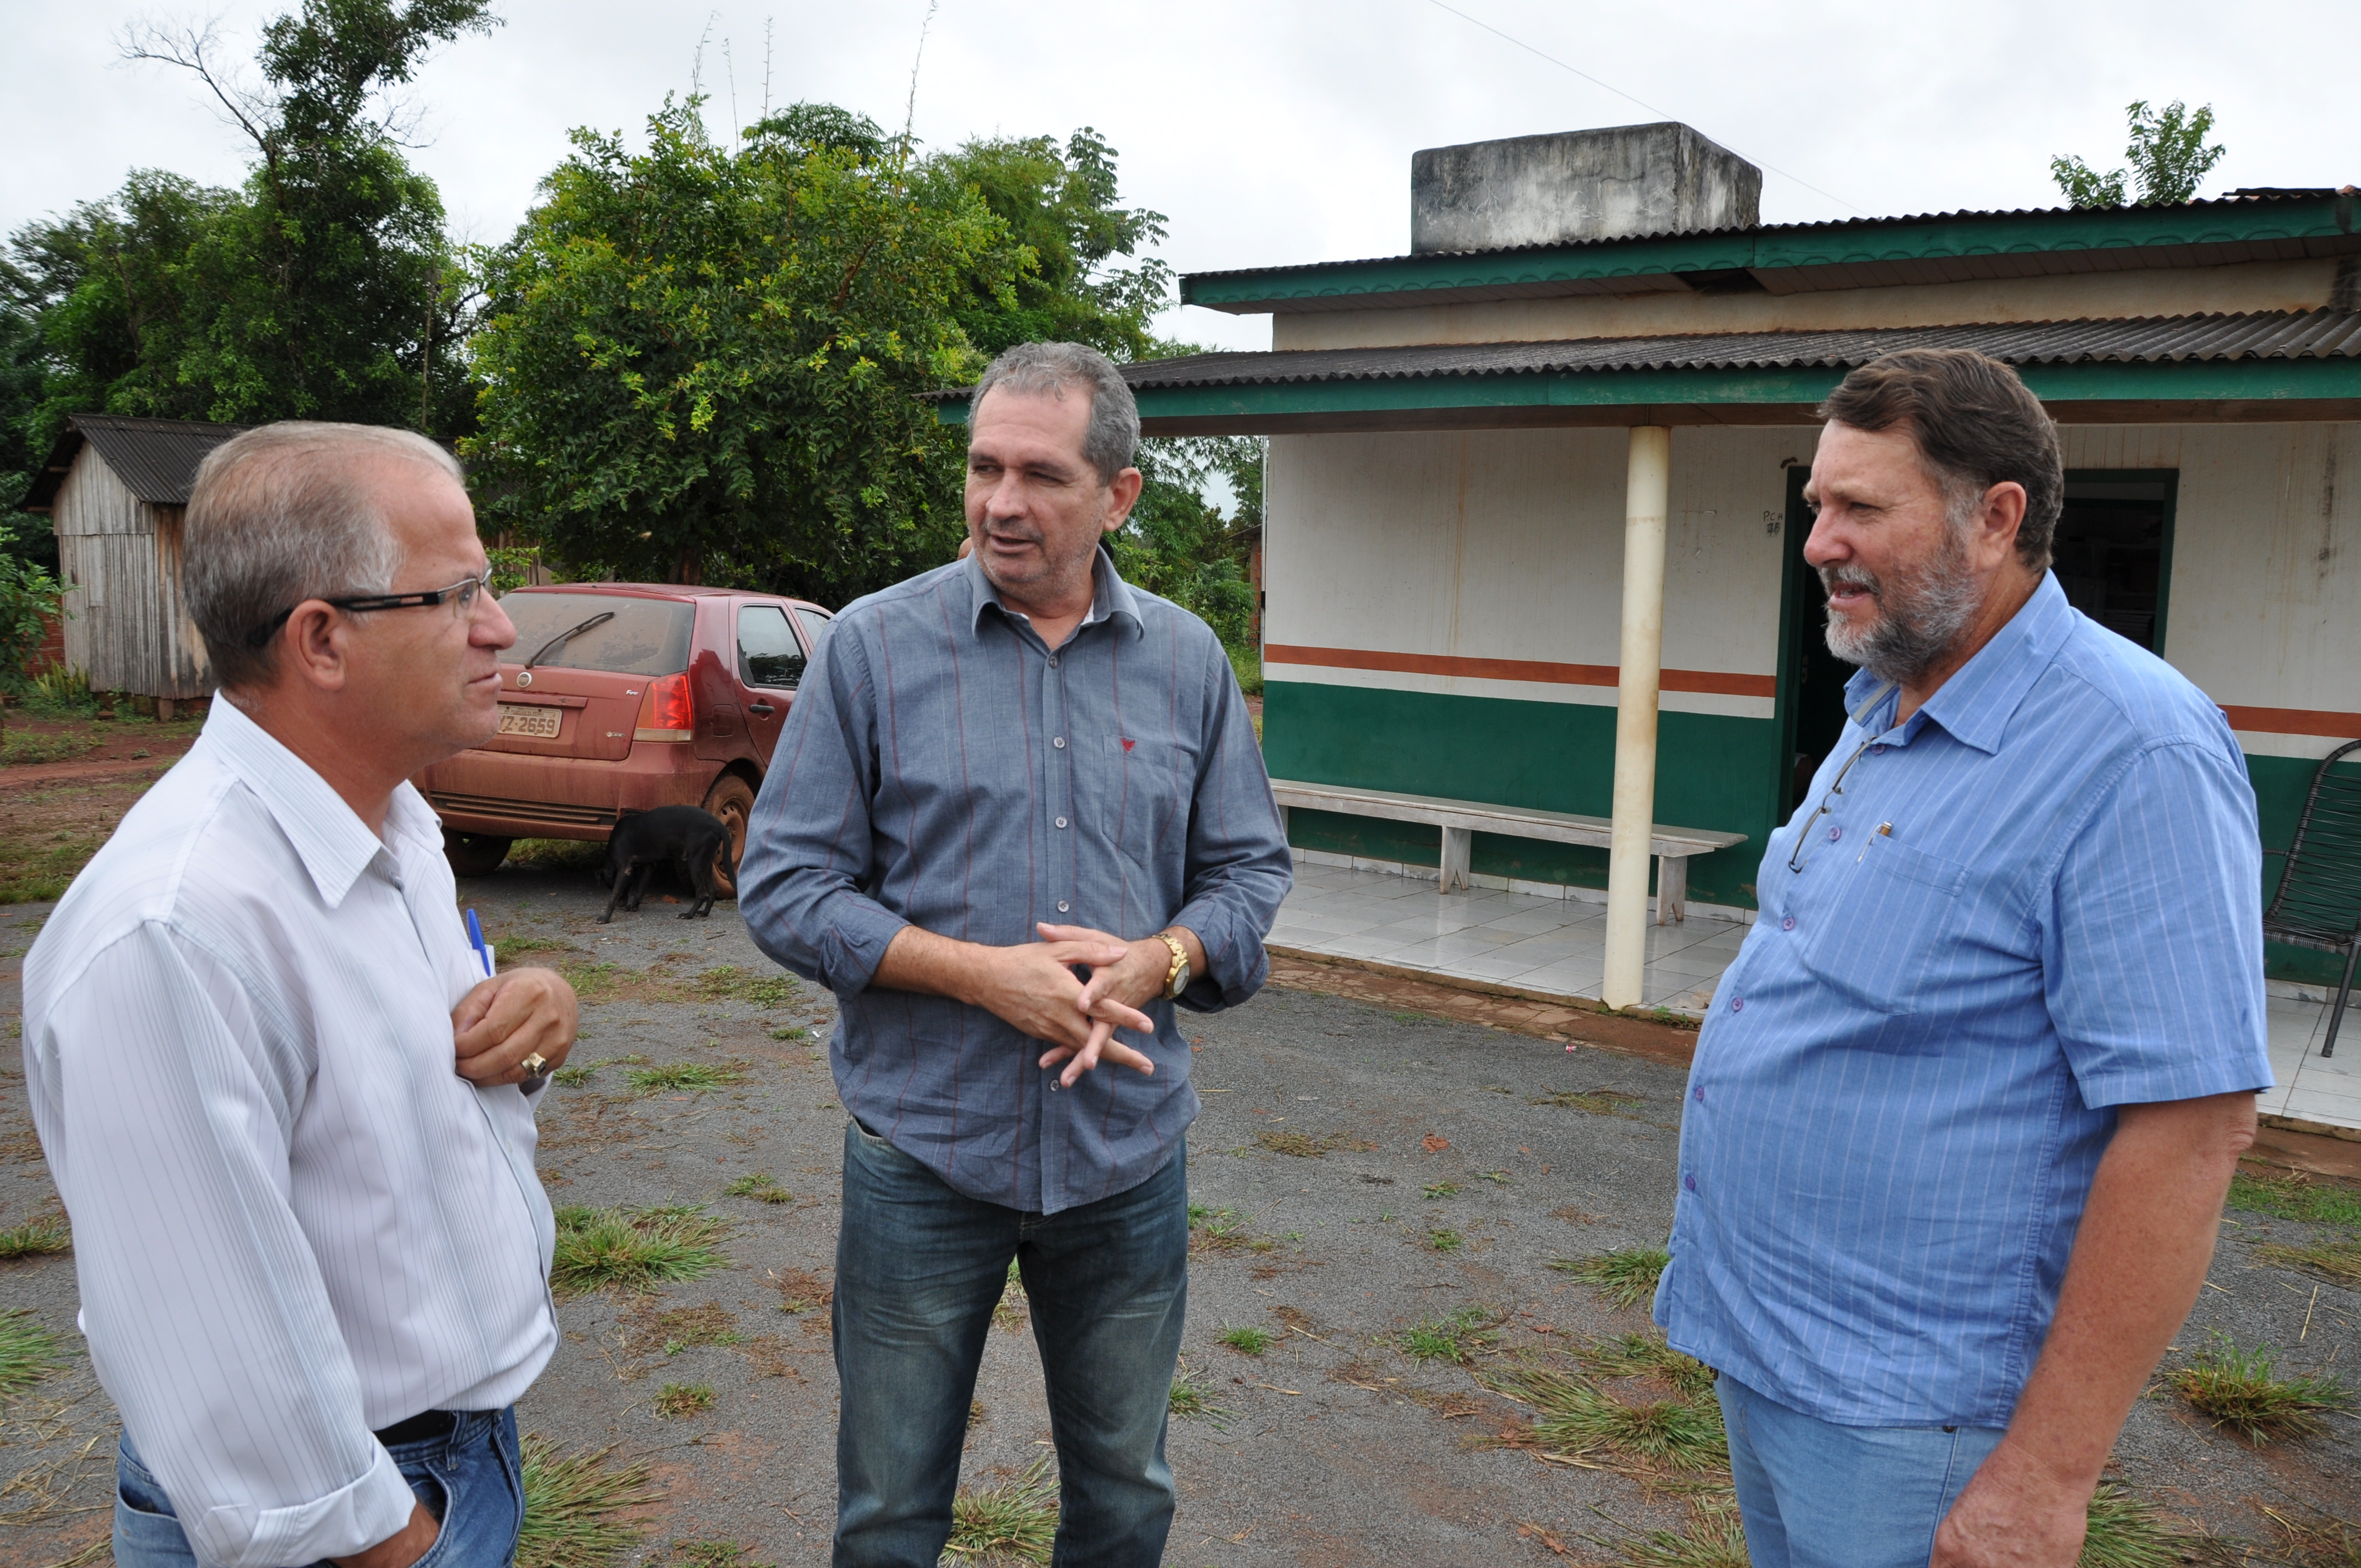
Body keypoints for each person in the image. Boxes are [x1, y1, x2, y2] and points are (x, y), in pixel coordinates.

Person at [1656, 348, 2269, 1568]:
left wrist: (2042, 1476)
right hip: (1771, 1351)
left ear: (1994, 519)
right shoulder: (1883, 701)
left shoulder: (2132, 748)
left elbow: (2190, 1127)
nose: (1816, 542)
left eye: (1858, 509)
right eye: (1815, 505)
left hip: (1918, 1418)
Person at [739, 340, 1292, 1567]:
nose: (1000, 501)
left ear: (1119, 494)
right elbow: (780, 883)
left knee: (1124, 1496)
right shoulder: (872, 648)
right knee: (886, 1510)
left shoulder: (1189, 662)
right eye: (984, 466)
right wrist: (977, 973)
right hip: (922, 1154)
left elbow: (1249, 872)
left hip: (1124, 1159)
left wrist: (1168, 955)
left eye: (1040, 473)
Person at [22, 423, 579, 1568]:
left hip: (447, 1456)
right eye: (456, 591)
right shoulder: (176, 929)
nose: (499, 624)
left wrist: (534, 1011)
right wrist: (405, 1544)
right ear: (321, 639)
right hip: (348, 1523)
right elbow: (224, 1368)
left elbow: (415, 1085)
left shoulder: (391, 822)